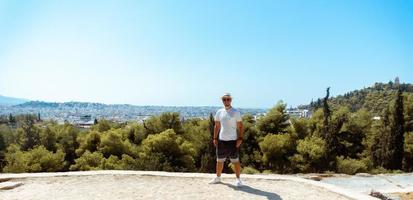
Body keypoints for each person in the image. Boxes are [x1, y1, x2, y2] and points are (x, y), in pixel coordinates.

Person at [209, 93, 244, 187]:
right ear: (222, 100)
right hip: (221, 140)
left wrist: (240, 138)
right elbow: (216, 126)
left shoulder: (235, 112)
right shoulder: (219, 112)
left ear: (231, 100)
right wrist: (215, 138)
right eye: (224, 99)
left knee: (235, 161)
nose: (226, 101)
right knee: (219, 160)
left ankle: (238, 179)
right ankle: (218, 178)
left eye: (228, 99)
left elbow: (240, 126)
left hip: (233, 141)